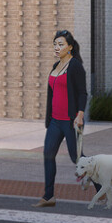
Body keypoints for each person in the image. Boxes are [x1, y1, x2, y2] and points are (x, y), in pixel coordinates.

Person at [40, 28, 90, 206]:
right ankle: (48, 196)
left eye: (60, 44)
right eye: (55, 44)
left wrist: (80, 115)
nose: (56, 47)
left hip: (69, 121)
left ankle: (100, 186)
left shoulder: (75, 66)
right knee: (48, 155)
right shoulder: (55, 66)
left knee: (77, 158)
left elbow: (82, 93)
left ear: (69, 47)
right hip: (54, 121)